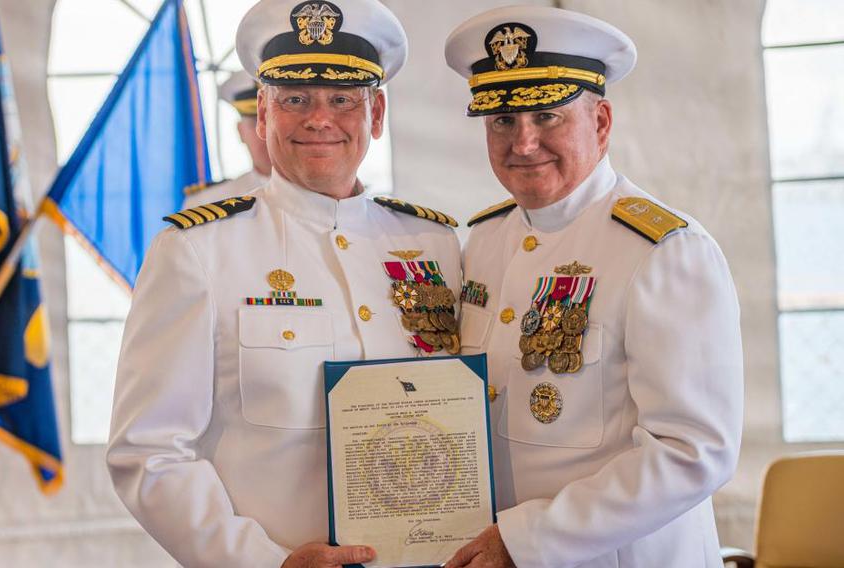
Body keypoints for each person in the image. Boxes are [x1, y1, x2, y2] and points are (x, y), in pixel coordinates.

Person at [106, 0, 462, 566]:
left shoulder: (433, 244)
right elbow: (148, 450)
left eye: (343, 99)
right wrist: (261, 561)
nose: (319, 119)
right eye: (294, 99)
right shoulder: (199, 250)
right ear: (264, 116)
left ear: (376, 115)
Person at [443, 7, 744, 568]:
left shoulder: (665, 250)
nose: (524, 142)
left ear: (601, 122)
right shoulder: (482, 243)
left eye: (548, 116)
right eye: (502, 121)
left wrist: (530, 538)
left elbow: (694, 451)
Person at [182, 70, 272, 208]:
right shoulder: (206, 204)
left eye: (274, 122)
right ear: (240, 132)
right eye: (255, 123)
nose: (266, 134)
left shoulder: (317, 196)